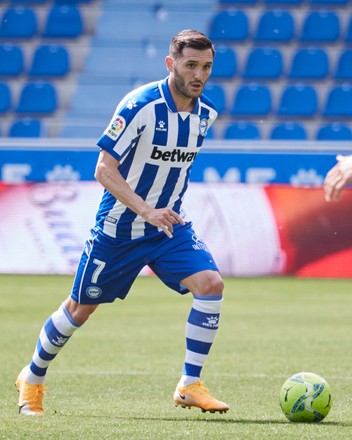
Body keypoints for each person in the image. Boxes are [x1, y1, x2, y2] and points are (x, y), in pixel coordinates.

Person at [16, 29, 229, 416]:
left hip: (168, 228)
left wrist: (160, 213)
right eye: (191, 65)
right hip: (119, 230)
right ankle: (32, 378)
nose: (199, 75)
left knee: (211, 284)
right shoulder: (139, 106)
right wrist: (146, 209)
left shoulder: (207, 114)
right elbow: (103, 169)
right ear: (171, 64)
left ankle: (189, 384)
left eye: (207, 67)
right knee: (80, 310)